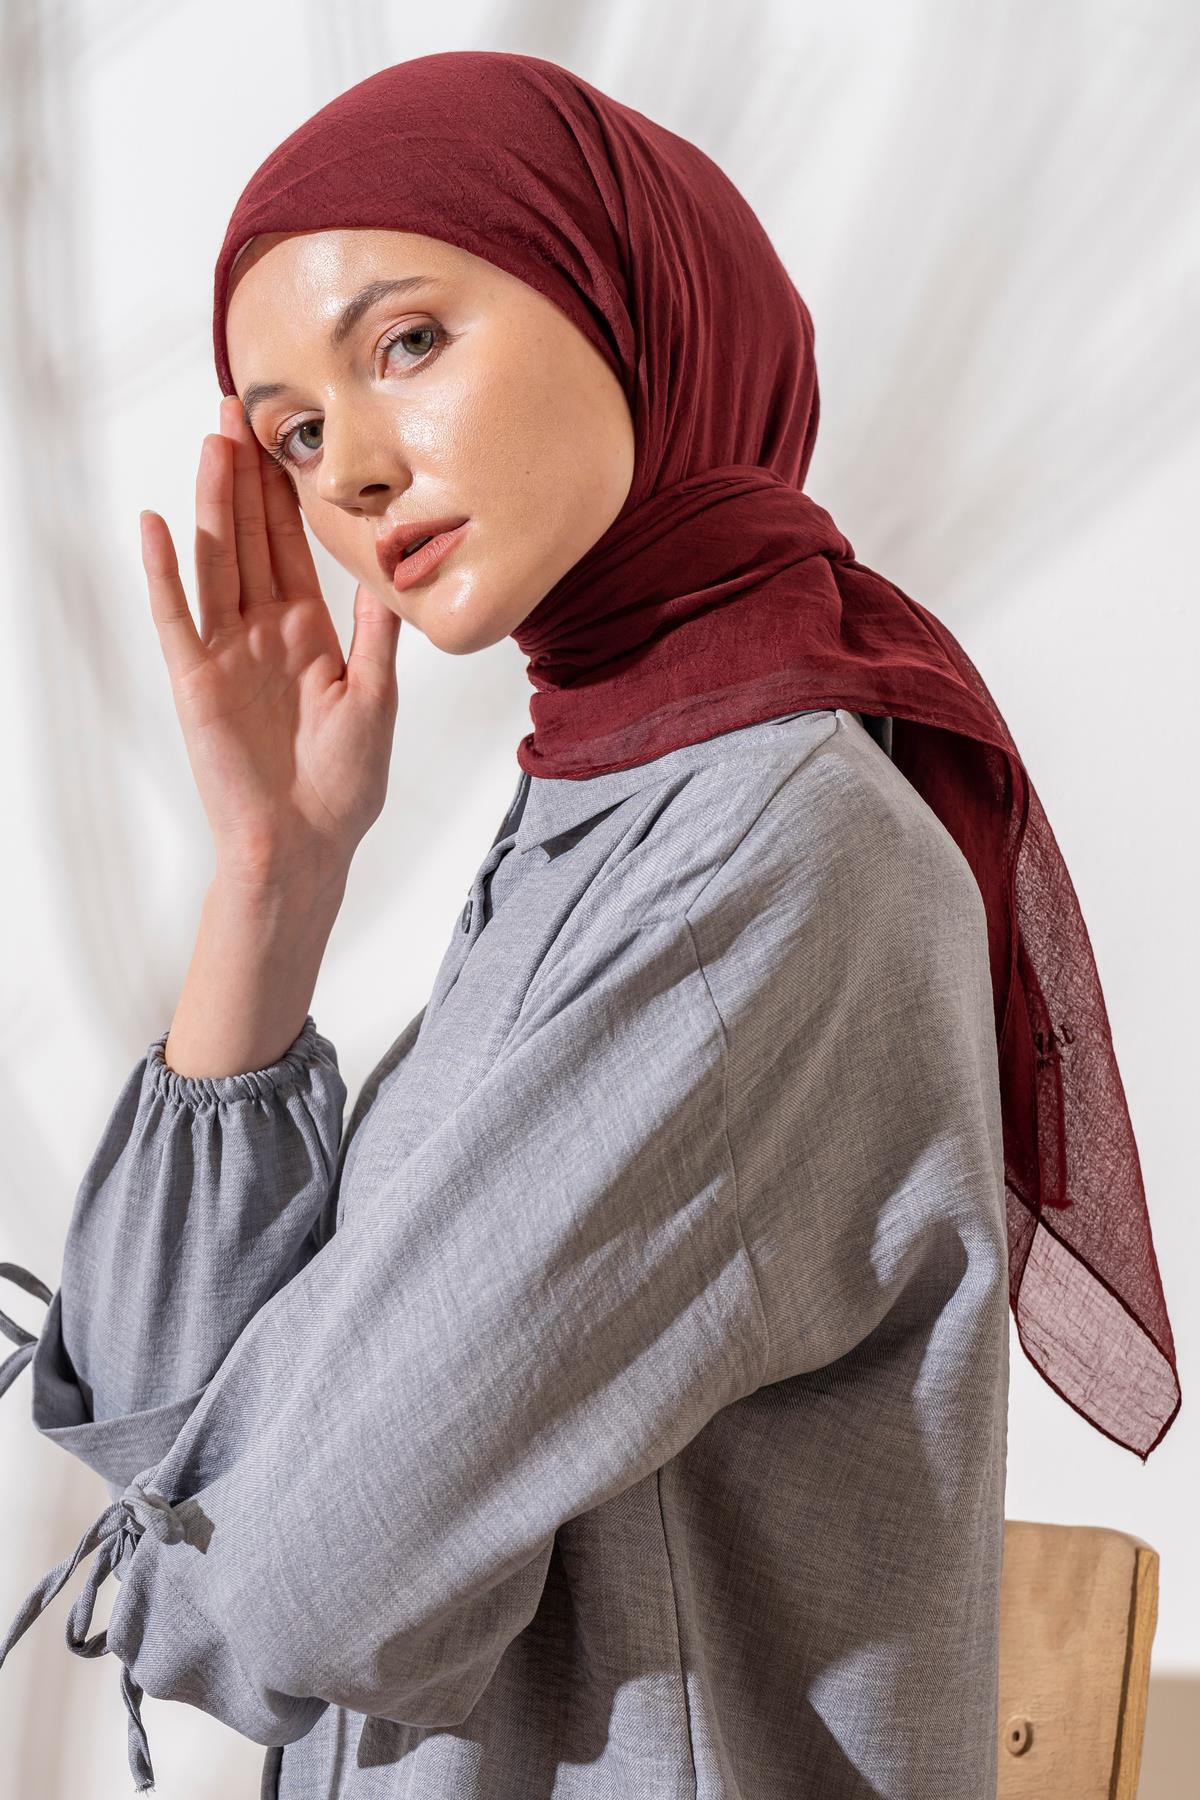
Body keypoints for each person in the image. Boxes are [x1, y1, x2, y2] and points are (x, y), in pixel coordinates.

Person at [0, 49, 1179, 1800]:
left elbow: (296, 1594)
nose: (355, 471)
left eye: (409, 342)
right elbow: (170, 1441)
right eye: (297, 432)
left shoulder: (768, 864)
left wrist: (232, 1492)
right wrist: (273, 877)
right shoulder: (609, 811)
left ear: (631, 303)